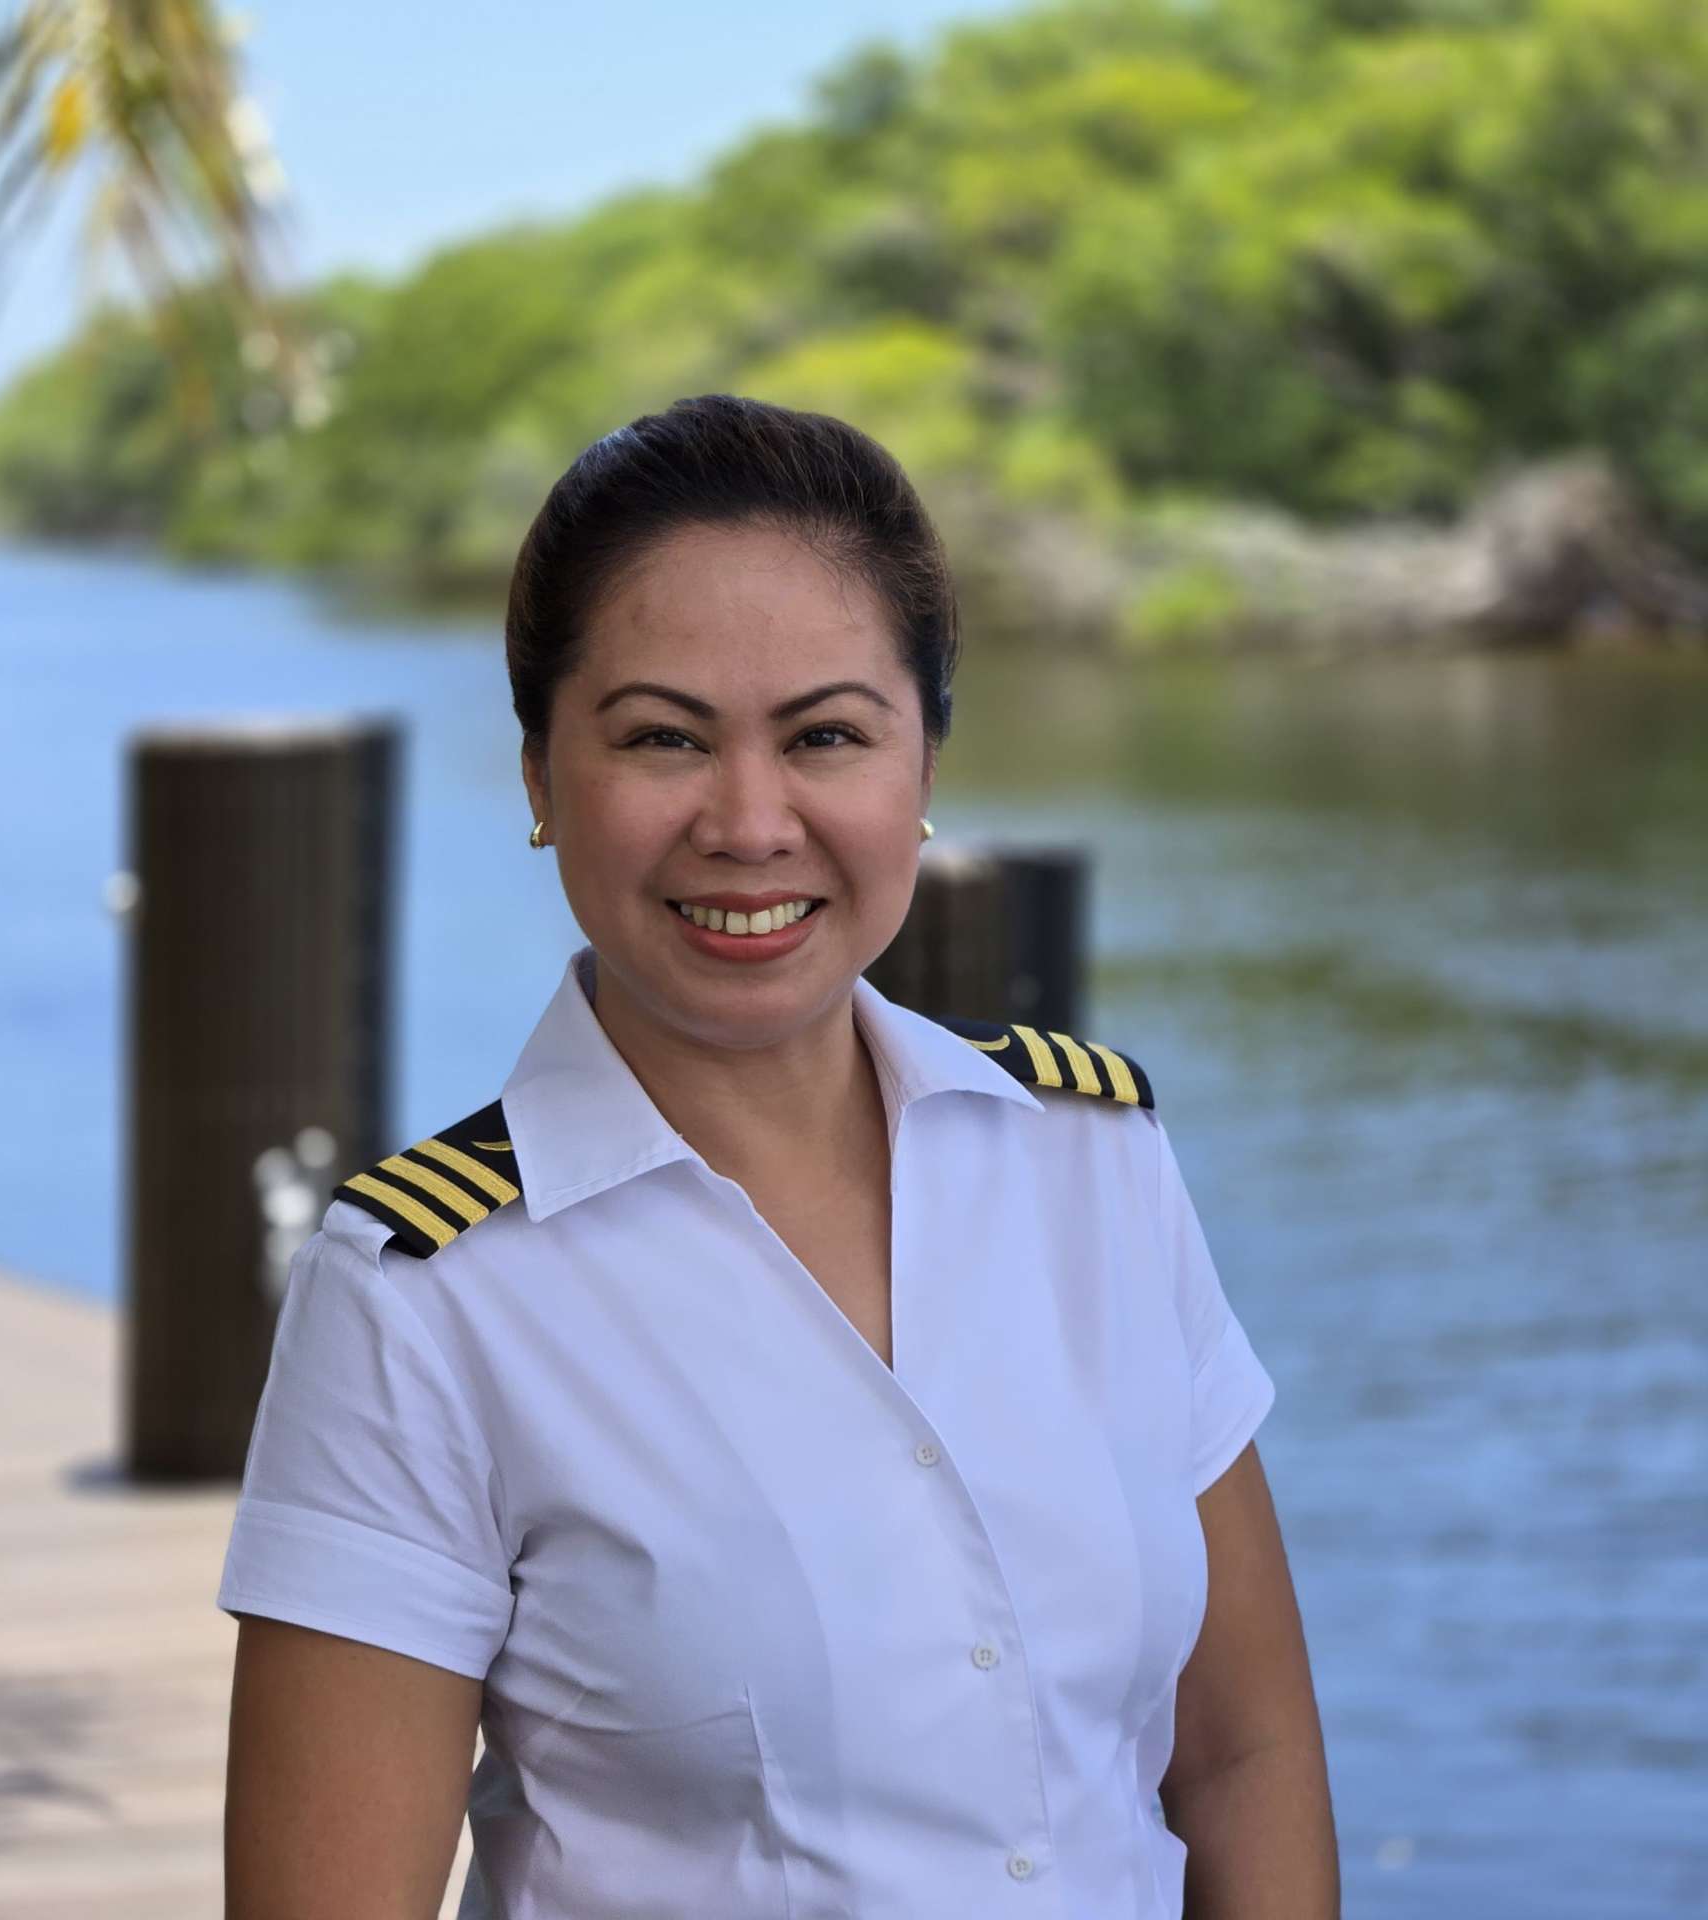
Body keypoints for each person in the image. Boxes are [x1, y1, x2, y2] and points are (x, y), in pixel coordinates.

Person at [218, 394, 1339, 1918]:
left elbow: (1243, 1760)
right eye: (662, 738)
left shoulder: (1091, 1163)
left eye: (825, 736)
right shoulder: (423, 1298)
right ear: (540, 778)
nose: (750, 824)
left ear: (923, 763)